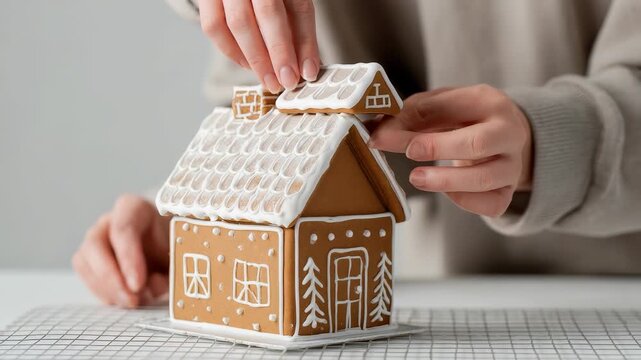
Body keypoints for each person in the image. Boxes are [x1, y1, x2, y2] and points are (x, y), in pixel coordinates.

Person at [73, 0, 641, 308]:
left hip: (617, 290)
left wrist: (551, 144)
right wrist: (189, 221)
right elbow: (269, 116)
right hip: (413, 296)